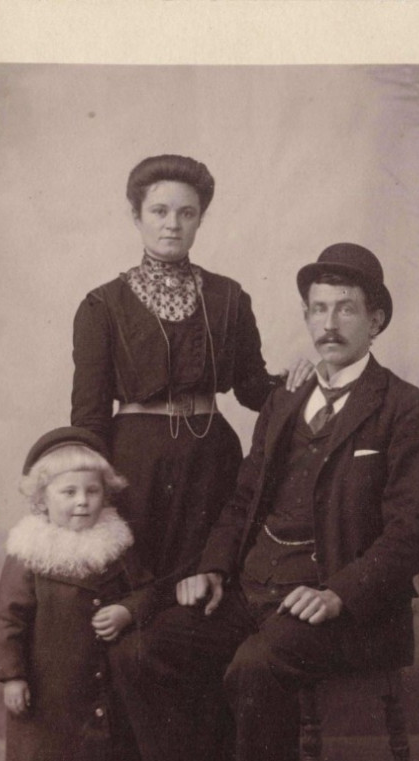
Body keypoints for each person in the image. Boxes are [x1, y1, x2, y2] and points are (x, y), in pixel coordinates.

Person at [110, 243, 419, 761]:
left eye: (346, 308)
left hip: (352, 611)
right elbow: (241, 499)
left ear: (376, 320)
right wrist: (210, 568)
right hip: (257, 588)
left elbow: (408, 537)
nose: (329, 323)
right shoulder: (285, 402)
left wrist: (339, 594)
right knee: (140, 650)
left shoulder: (404, 408)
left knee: (255, 666)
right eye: (318, 308)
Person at [70, 153, 311, 589]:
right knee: (137, 592)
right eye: (159, 212)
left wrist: (296, 381)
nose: (172, 225)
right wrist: (94, 490)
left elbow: (253, 389)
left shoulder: (229, 298)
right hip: (135, 466)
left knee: (210, 590)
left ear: (200, 219)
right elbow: (88, 416)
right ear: (136, 216)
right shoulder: (101, 306)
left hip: (211, 462)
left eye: (187, 213)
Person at [0, 427, 155, 761]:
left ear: (106, 494)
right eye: (68, 492)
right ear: (42, 499)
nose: (82, 501)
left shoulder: (116, 546)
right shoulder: (30, 553)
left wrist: (125, 611)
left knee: (95, 753)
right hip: (46, 679)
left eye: (92, 491)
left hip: (95, 675)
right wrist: (13, 676)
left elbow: (146, 592)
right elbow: (9, 619)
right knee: (38, 758)